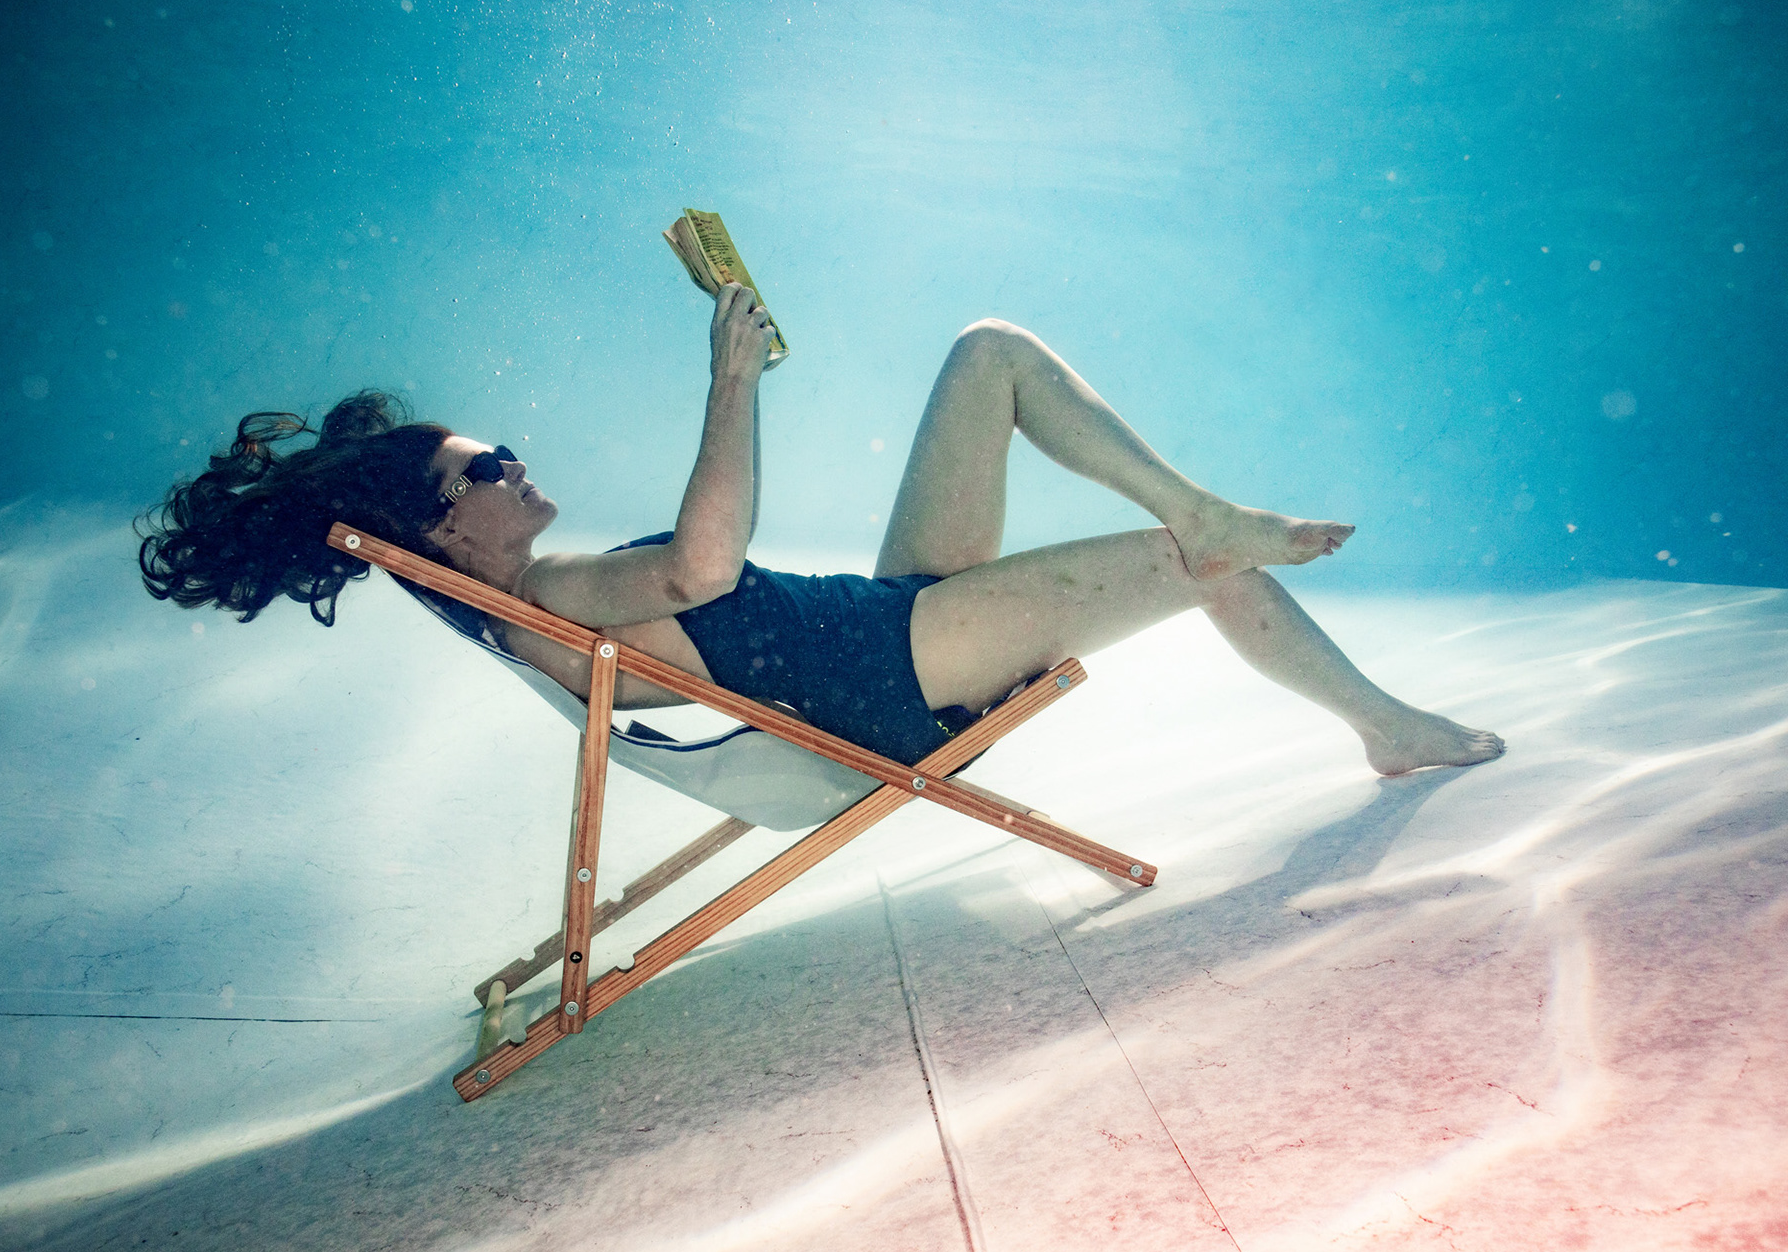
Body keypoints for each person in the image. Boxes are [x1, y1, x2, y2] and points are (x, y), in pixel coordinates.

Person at [138, 284, 1503, 775]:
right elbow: (700, 569)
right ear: (446, 521)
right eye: (490, 462)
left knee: (989, 352)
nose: (518, 460)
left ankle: (1192, 499)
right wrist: (729, 383)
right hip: (889, 680)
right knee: (1189, 565)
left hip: (876, 623)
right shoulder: (532, 597)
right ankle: (1380, 721)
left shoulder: (532, 588)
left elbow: (702, 589)